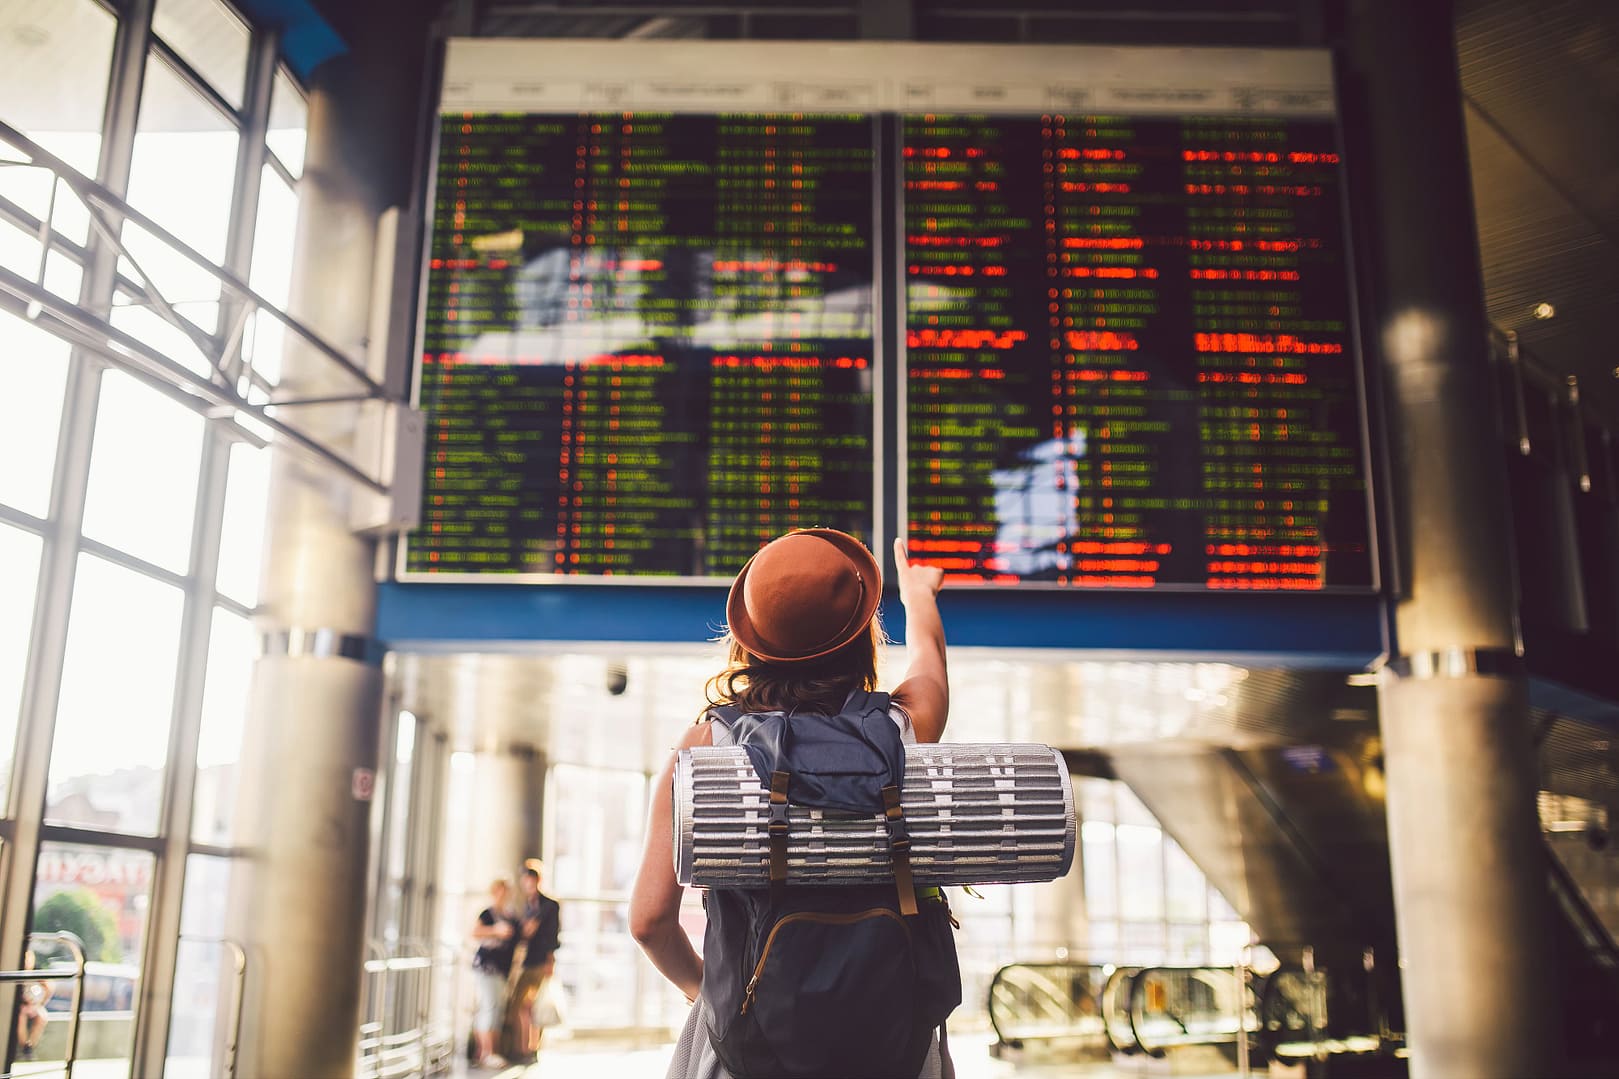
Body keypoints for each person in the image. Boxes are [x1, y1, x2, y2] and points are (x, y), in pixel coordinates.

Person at [630, 530, 951, 1079]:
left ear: (752, 641)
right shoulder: (903, 730)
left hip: (749, 1048)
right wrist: (919, 594)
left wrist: (704, 992)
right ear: (858, 638)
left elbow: (649, 921)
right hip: (891, 1044)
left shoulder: (705, 747)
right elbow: (930, 663)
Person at [510, 861, 561, 1060]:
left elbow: (553, 936)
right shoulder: (526, 905)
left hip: (539, 962)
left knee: (533, 1007)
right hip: (525, 961)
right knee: (524, 1007)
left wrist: (550, 961)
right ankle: (525, 1048)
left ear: (537, 880)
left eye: (530, 880)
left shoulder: (549, 905)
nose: (527, 885)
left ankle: (530, 1049)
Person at [470, 878, 517, 1069]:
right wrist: (495, 931)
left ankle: (491, 1052)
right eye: (498, 890)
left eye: (505, 891)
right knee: (488, 1007)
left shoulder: (510, 915)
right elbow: (475, 932)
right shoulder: (488, 914)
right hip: (486, 967)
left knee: (497, 1009)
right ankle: (485, 1053)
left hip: (502, 969)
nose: (502, 895)